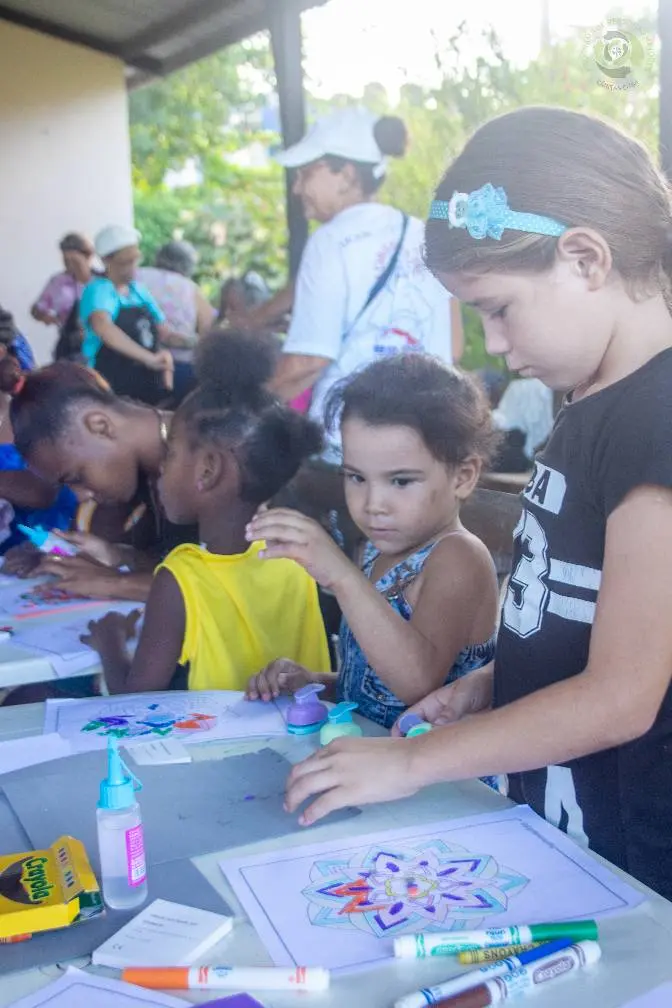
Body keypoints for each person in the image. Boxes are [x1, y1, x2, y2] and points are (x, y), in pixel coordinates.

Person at [280, 106, 672, 903]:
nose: (492, 343)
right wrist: (496, 679)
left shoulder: (657, 417)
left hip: (638, 859)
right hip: (566, 826)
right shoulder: (587, 404)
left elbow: (625, 695)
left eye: (497, 307)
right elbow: (585, 610)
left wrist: (412, 763)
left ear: (585, 257)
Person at [246, 353, 499, 729]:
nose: (373, 504)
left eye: (400, 481)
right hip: (378, 766)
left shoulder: (458, 557)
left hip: (444, 779)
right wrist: (313, 682)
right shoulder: (381, 553)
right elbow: (370, 691)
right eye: (356, 478)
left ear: (463, 476)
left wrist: (342, 576)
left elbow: (417, 686)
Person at [81, 331, 329, 695]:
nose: (161, 470)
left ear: (208, 470)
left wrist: (111, 645)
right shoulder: (300, 557)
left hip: (215, 750)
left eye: (170, 455)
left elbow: (133, 705)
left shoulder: (182, 577)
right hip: (304, 744)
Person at [268, 107, 458, 457]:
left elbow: (308, 361)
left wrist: (246, 410)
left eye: (305, 174)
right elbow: (454, 346)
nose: (297, 188)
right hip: (425, 439)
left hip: (347, 446)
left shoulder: (330, 241)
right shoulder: (426, 235)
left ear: (346, 175)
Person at [79, 225, 180, 404]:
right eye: (125, 262)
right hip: (111, 385)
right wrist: (148, 358)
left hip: (147, 384)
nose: (133, 267)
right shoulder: (99, 290)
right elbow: (103, 326)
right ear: (106, 261)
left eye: (135, 260)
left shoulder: (138, 291)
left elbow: (164, 331)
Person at [138, 240, 216, 402]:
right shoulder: (191, 289)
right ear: (189, 265)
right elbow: (207, 332)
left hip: (135, 358)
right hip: (179, 367)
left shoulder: (138, 276)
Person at [31, 233, 96, 361]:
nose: (70, 265)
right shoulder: (57, 282)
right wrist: (45, 316)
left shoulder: (101, 281)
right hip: (69, 346)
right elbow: (37, 309)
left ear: (87, 257)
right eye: (66, 261)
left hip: (97, 345)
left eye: (75, 261)